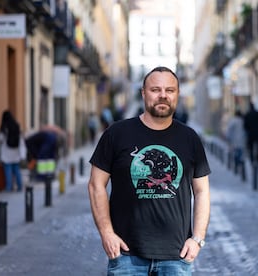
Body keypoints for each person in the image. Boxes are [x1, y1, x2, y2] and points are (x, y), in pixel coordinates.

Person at [88, 66, 211, 275]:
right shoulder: (116, 134)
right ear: (143, 93)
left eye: (169, 90)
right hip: (127, 257)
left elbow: (202, 191)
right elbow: (95, 185)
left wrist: (197, 239)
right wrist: (107, 233)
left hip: (176, 256)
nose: (163, 95)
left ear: (177, 95)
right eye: (155, 90)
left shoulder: (190, 138)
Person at [0, 110, 25, 192]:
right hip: (16, 151)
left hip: (7, 151)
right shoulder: (16, 125)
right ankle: (20, 186)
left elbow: (0, 139)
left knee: (8, 170)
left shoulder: (4, 127)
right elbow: (21, 139)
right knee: (16, 169)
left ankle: (9, 187)